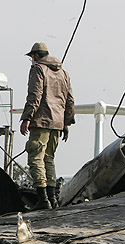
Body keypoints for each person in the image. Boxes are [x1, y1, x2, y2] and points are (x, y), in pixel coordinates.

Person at [20, 42, 75, 210]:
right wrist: (66, 122)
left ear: (36, 56)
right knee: (49, 159)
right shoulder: (63, 73)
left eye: (32, 58)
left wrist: (27, 117)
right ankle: (53, 199)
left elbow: (35, 95)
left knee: (36, 158)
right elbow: (70, 99)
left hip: (42, 121)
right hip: (57, 124)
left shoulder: (38, 69)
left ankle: (43, 199)